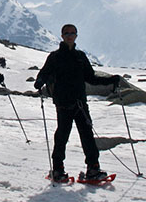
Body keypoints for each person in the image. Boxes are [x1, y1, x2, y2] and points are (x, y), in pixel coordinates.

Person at [34, 24, 120, 183]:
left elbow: (91, 78)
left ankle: (93, 167)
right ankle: (58, 169)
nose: (69, 35)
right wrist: (40, 81)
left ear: (76, 35)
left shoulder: (80, 56)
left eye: (72, 33)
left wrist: (110, 80)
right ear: (62, 35)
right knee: (62, 136)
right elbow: (44, 73)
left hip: (80, 102)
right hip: (64, 103)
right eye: (67, 33)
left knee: (87, 135)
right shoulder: (55, 57)